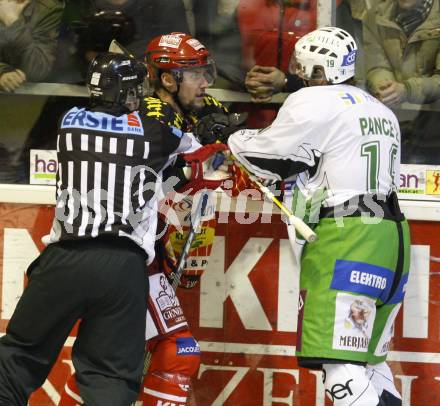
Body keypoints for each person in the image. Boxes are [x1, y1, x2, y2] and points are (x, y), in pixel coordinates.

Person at [0, 52, 204, 405]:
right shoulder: (152, 131)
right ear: (130, 91)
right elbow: (192, 152)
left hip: (64, 259)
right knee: (109, 377)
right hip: (122, 268)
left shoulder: (70, 120)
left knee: (17, 358)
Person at [58, 32, 246, 406]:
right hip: (124, 253)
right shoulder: (145, 116)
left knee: (109, 360)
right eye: (195, 74)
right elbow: (157, 181)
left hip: (144, 255)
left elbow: (216, 149)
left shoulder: (191, 109)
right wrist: (202, 157)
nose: (206, 82)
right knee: (177, 351)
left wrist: (224, 135)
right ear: (166, 79)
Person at [228, 27, 410, 405]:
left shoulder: (313, 100)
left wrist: (230, 135)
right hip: (393, 239)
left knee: (338, 367)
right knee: (370, 367)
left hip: (348, 237)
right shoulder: (379, 109)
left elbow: (268, 157)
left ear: (312, 64)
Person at [363, 0, 440, 163]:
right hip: (392, 125)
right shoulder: (374, 17)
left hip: (435, 130)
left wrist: (406, 90)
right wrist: (385, 87)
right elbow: (376, 66)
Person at [0, 0, 64, 92]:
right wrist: (2, 72)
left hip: (27, 97)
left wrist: (12, 20)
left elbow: (37, 69)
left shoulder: (47, 10)